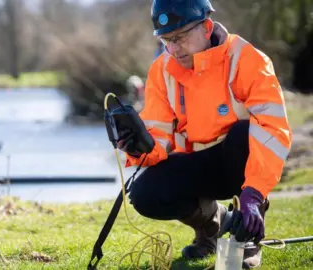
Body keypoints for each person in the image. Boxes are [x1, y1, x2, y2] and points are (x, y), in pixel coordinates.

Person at [117, 0, 292, 269]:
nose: (173, 49)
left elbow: (272, 130)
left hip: (240, 162)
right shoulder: (161, 70)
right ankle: (212, 225)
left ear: (207, 27)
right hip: (196, 163)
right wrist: (138, 147)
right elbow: (158, 133)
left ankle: (248, 234)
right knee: (144, 193)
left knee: (245, 133)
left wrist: (254, 193)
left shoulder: (249, 59)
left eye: (180, 37)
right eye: (166, 40)